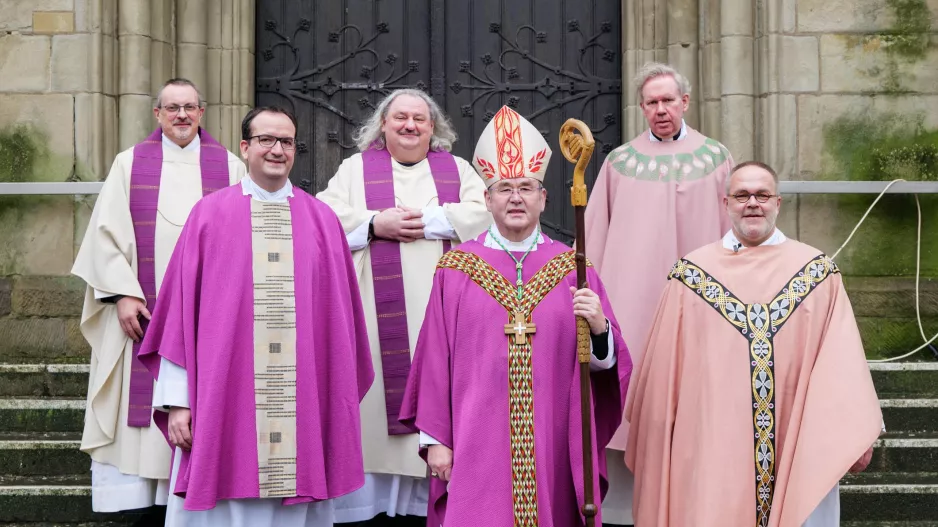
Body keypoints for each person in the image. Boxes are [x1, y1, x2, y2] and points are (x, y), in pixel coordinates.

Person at [137, 106, 375, 527]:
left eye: (286, 141)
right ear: (245, 148)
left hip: (303, 400)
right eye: (266, 140)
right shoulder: (208, 215)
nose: (277, 150)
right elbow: (178, 317)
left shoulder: (322, 221)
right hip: (224, 399)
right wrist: (177, 401)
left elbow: (341, 326)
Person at [399, 106, 632, 527]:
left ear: (544, 198)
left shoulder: (573, 268)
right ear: (486, 200)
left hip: (555, 438)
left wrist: (599, 328)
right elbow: (434, 360)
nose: (516, 197)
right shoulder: (457, 269)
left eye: (527, 187)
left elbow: (603, 366)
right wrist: (437, 441)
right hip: (475, 438)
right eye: (504, 188)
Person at [625, 161, 882, 526]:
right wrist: (656, 436)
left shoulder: (816, 273)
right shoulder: (690, 277)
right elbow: (662, 380)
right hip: (711, 447)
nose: (752, 203)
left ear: (778, 203)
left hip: (794, 445)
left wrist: (855, 431)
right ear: (726, 203)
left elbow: (841, 363)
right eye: (742, 195)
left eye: (762, 195)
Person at [71, 78, 246, 518]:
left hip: (209, 322)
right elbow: (104, 237)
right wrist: (123, 295)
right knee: (139, 438)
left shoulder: (229, 168)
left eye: (189, 107)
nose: (182, 115)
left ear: (202, 113)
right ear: (158, 115)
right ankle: (139, 508)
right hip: (143, 317)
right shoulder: (130, 164)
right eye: (172, 108)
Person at [316, 89, 490, 525]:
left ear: (434, 128)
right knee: (373, 411)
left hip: (445, 315)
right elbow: (323, 217)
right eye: (400, 118)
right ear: (383, 125)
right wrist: (376, 223)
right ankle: (370, 509)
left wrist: (424, 222)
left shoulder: (458, 169)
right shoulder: (354, 170)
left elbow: (487, 212)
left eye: (420, 119)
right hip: (375, 318)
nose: (410, 125)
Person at [583, 62, 733, 524]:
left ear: (685, 102)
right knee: (634, 397)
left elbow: (733, 233)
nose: (661, 109)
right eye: (652, 102)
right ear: (642, 107)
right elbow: (594, 236)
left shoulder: (715, 158)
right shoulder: (619, 162)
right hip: (632, 304)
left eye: (669, 100)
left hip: (700, 303)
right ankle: (628, 511)